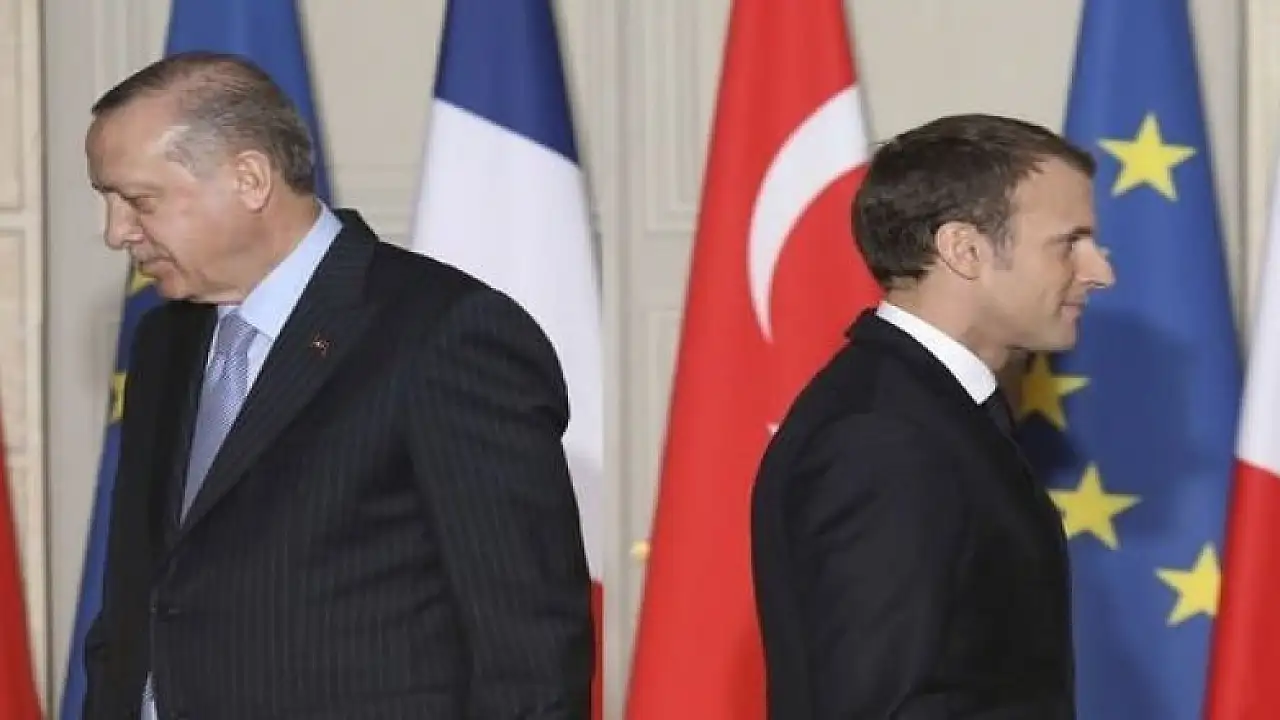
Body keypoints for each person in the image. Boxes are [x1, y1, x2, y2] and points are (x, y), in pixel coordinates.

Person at [81, 51, 594, 719]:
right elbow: (137, 604)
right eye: (108, 202)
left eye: (138, 201)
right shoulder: (163, 343)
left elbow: (531, 649)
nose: (116, 232)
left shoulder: (444, 333)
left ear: (249, 179)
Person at [750, 113, 1115, 719]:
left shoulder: (933, 410)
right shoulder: (883, 436)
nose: (1100, 271)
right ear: (964, 250)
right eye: (1068, 244)